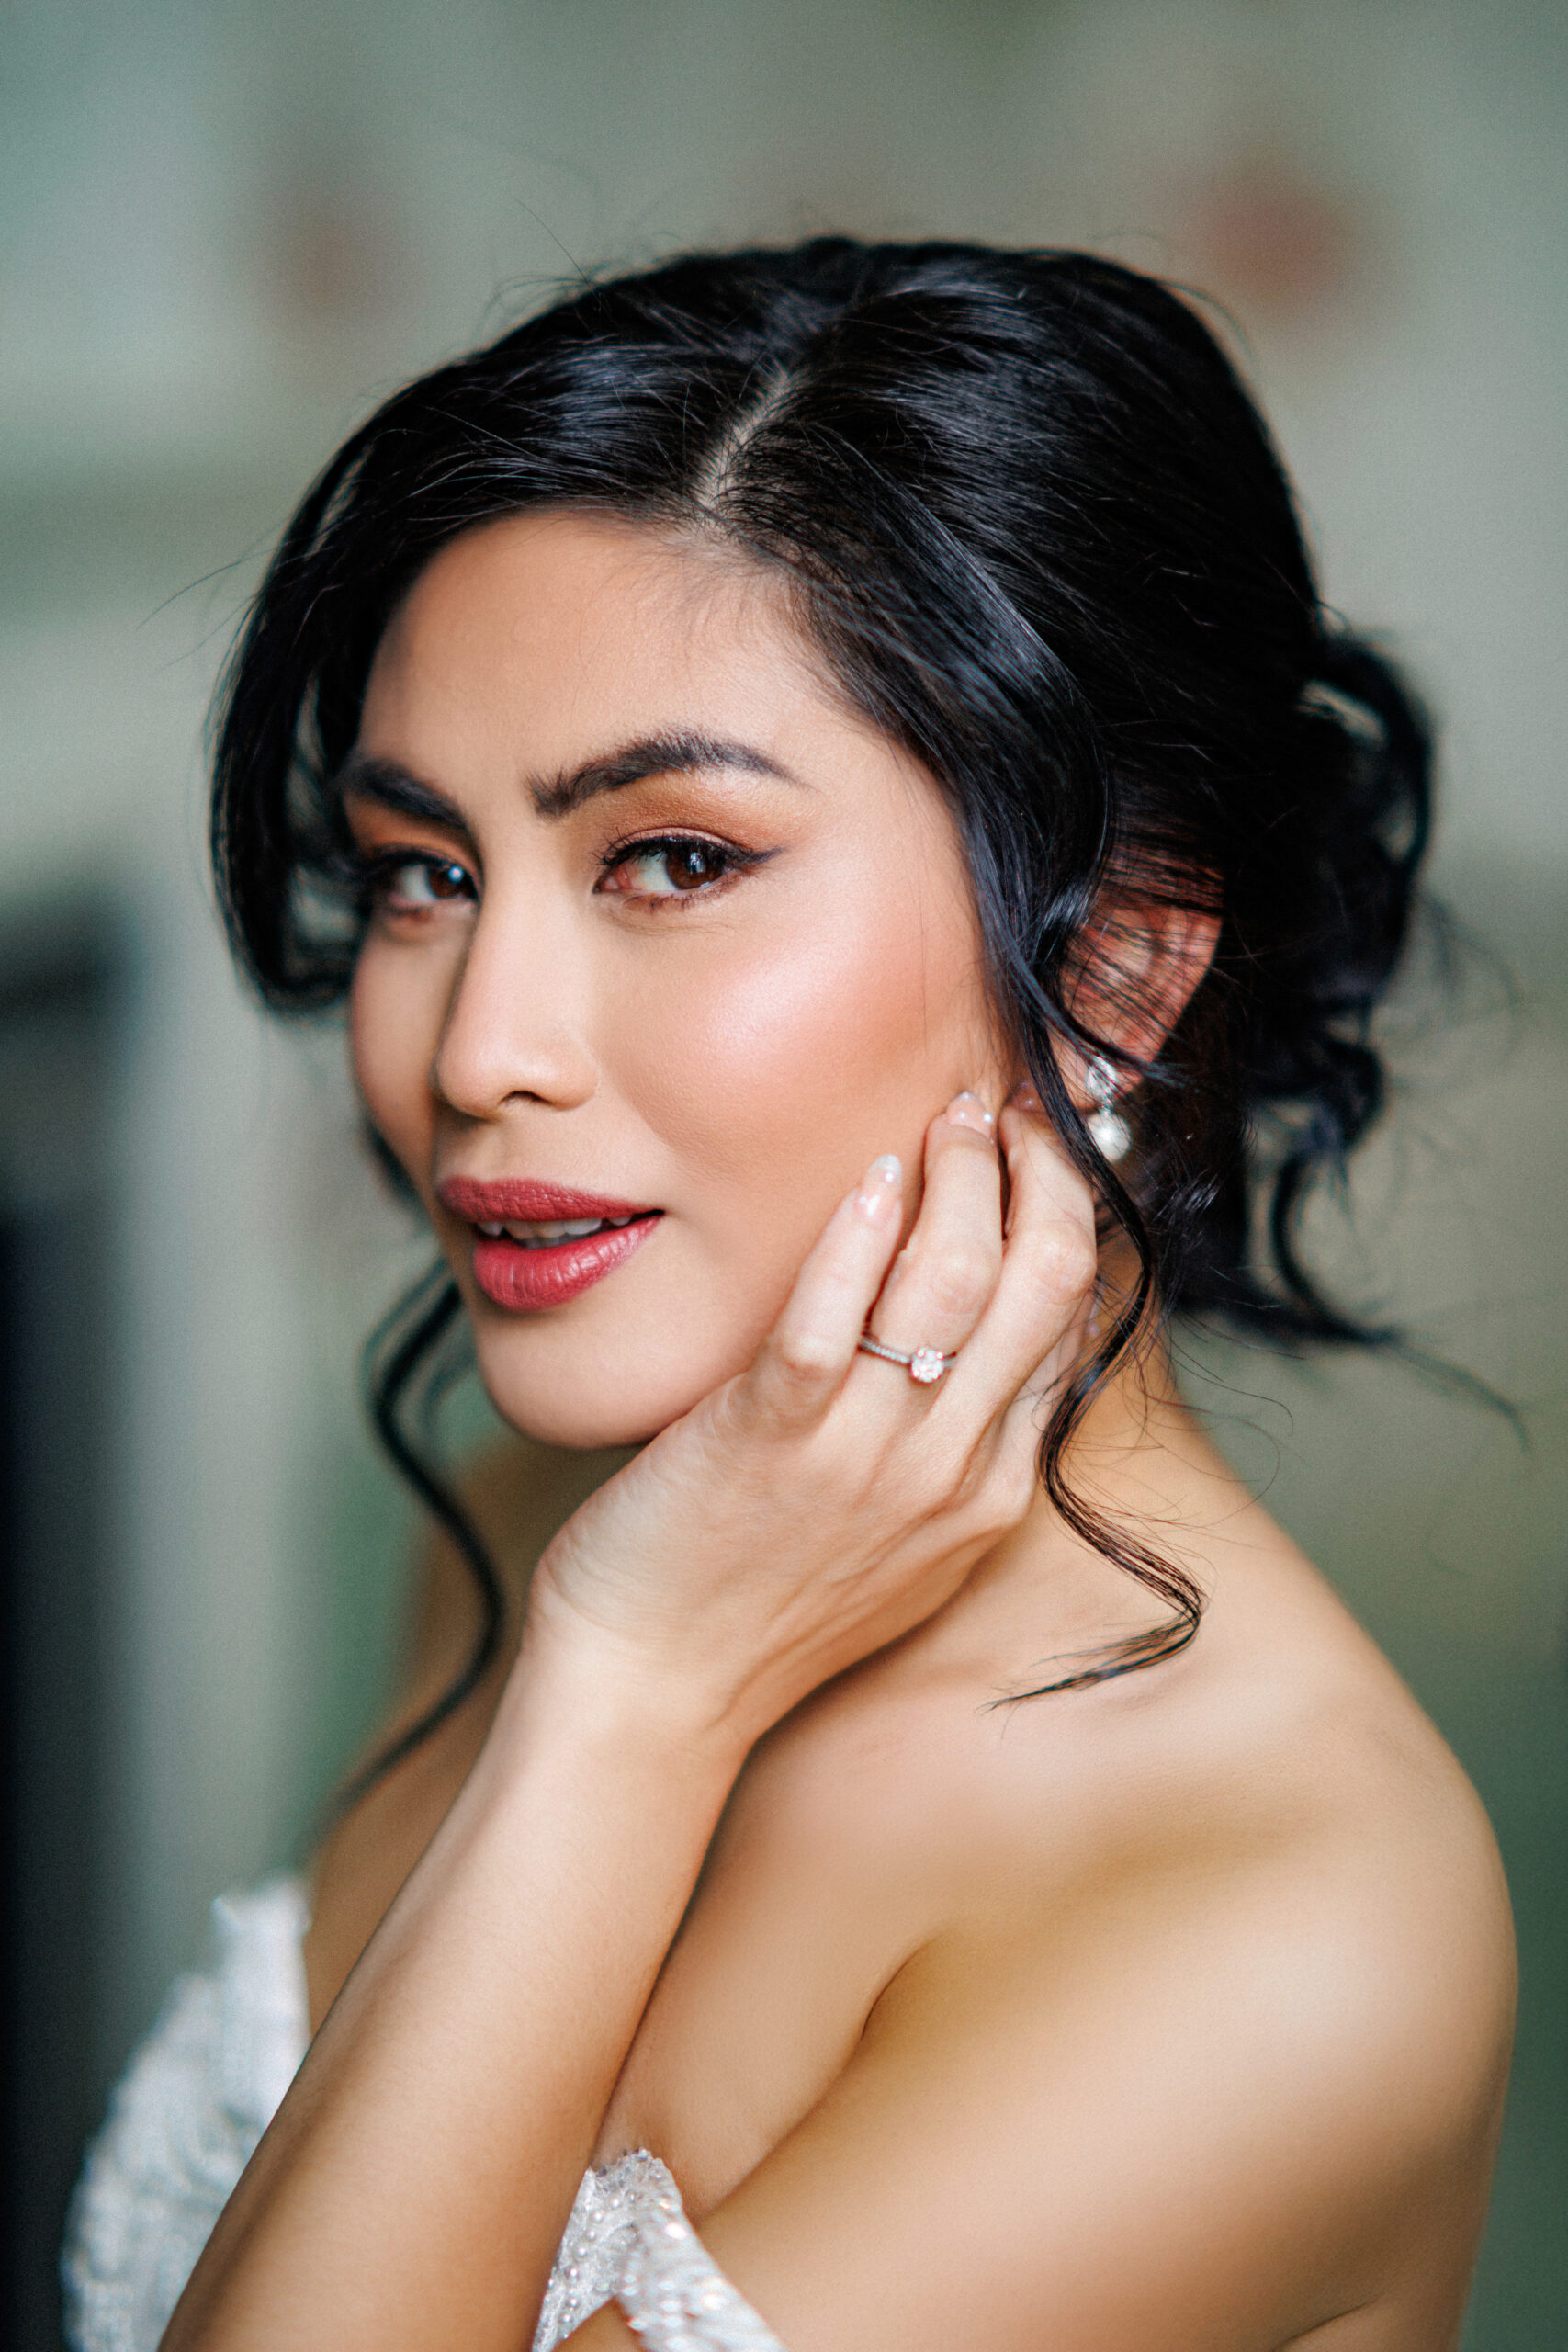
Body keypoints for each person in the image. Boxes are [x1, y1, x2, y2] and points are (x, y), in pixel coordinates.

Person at [63, 241, 1515, 2352]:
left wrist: (631, 1692)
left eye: (671, 858)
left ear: (1117, 955)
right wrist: (617, 1663)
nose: (479, 1047)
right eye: (422, 871)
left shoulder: (1281, 1925)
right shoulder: (526, 1525)